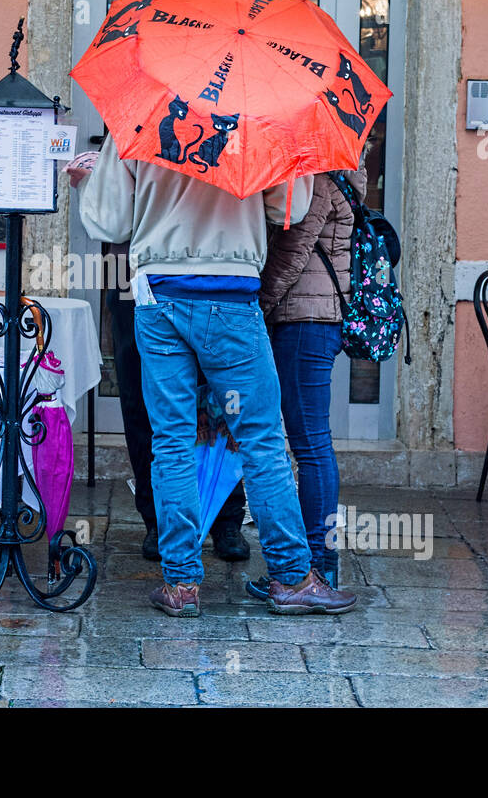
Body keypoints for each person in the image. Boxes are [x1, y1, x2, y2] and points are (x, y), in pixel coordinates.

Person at [80, 135, 356, 617]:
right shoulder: (254, 112)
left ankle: (181, 585)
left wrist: (93, 180)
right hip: (231, 294)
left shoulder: (141, 112)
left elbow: (108, 221)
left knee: (171, 440)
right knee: (262, 441)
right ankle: (291, 577)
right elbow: (286, 207)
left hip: (158, 294)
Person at [257, 155, 369, 595]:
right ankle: (317, 560)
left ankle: (317, 563)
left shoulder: (320, 177)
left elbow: (294, 251)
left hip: (305, 320)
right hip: (317, 319)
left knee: (311, 446)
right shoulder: (343, 174)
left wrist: (257, 302)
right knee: (312, 444)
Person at [106, 265, 249, 563]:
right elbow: (105, 222)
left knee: (222, 398)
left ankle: (227, 518)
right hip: (131, 274)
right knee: (141, 401)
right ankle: (158, 520)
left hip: (204, 270)